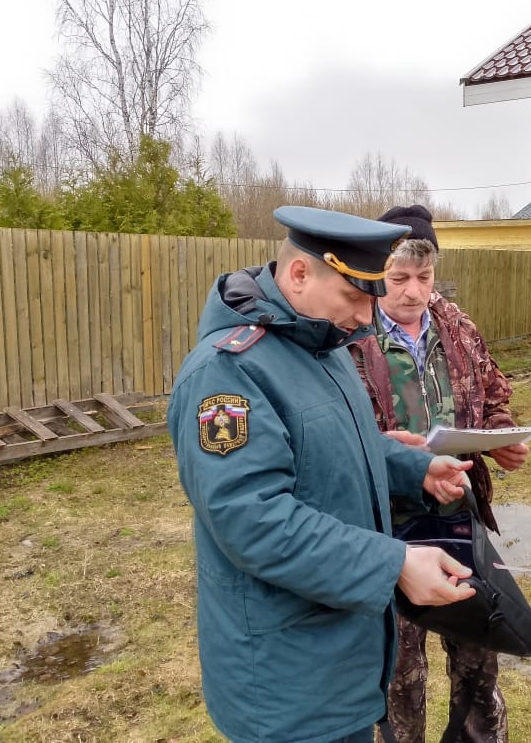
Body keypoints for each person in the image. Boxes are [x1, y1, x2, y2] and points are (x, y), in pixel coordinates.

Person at [167, 205, 480, 743]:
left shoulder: (320, 343)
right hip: (284, 680)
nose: (366, 317)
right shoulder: (229, 374)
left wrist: (418, 467)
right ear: (298, 275)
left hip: (339, 659)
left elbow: (341, 444)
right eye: (355, 298)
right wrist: (395, 563)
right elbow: (253, 520)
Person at [348, 203, 528, 743]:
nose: (412, 291)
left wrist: (502, 437)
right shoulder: (351, 336)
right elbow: (339, 437)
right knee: (400, 675)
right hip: (388, 527)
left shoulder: (457, 324)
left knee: (477, 656)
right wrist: (397, 458)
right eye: (398, 278)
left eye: (423, 278)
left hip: (458, 518)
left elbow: (494, 394)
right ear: (379, 273)